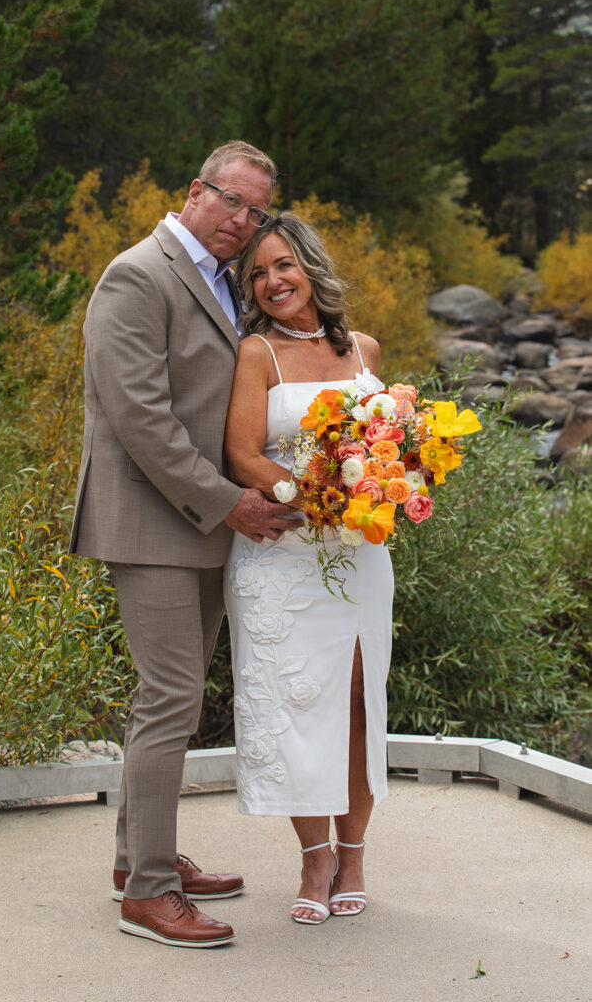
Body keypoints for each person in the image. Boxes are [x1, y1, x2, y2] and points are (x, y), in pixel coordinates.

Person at [69, 142, 300, 949]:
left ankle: (142, 857)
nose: (242, 222)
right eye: (230, 203)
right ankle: (150, 896)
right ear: (194, 192)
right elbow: (140, 419)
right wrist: (226, 502)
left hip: (197, 521)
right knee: (170, 702)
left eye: (255, 211)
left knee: (168, 700)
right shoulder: (137, 273)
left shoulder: (215, 275)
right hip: (154, 520)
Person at [224, 212, 394, 925]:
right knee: (293, 709)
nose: (272, 282)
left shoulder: (363, 350)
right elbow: (243, 454)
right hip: (281, 555)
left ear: (310, 267)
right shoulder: (256, 353)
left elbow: (388, 439)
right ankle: (312, 859)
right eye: (257, 273)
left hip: (357, 557)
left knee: (355, 704)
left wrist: (390, 481)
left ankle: (352, 853)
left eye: (282, 266)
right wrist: (310, 496)